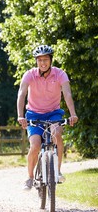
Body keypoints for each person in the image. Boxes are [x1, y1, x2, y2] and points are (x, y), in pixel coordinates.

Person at [17, 45, 78, 190]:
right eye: (39, 60)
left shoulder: (60, 74)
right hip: (33, 113)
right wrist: (20, 116)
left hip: (53, 113)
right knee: (35, 145)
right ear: (36, 61)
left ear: (51, 60)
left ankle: (57, 171)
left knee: (57, 134)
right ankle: (30, 177)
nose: (43, 63)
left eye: (45, 60)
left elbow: (67, 94)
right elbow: (21, 94)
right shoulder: (29, 74)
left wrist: (73, 113)